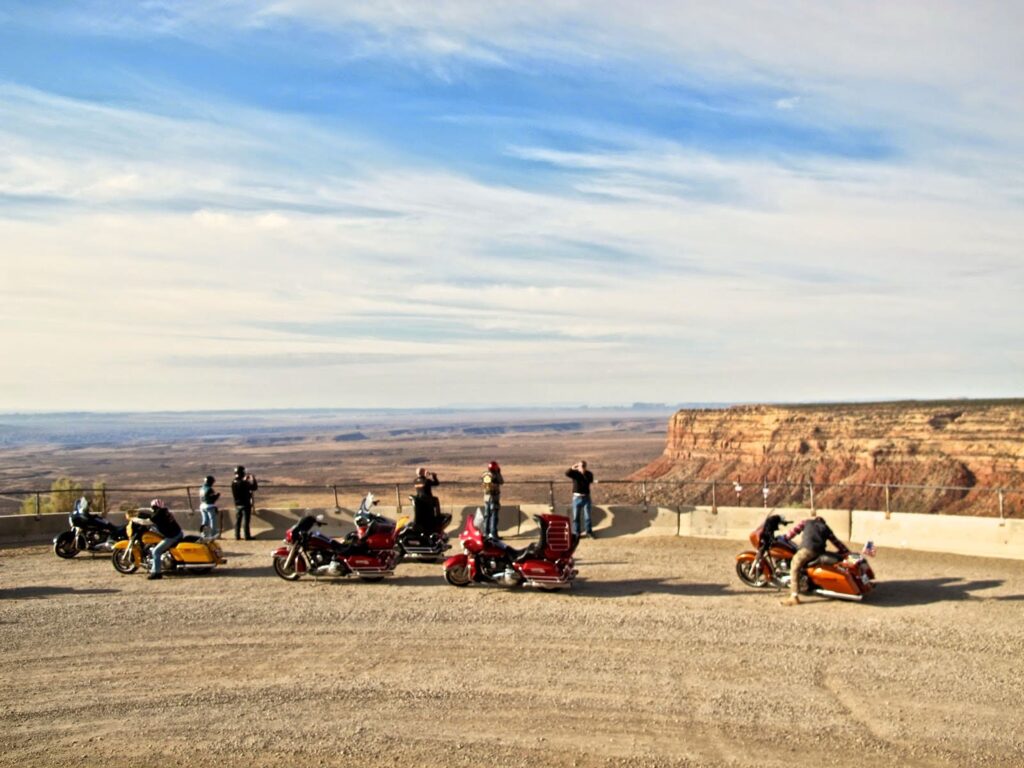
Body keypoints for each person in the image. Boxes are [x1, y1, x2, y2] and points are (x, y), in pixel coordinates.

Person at [778, 516, 849, 606]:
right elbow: (836, 542)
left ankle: (794, 596)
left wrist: (783, 538)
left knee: (794, 566)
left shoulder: (806, 522)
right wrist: (846, 551)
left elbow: (792, 533)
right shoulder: (825, 528)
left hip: (807, 550)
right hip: (819, 551)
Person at [139, 499, 183, 580]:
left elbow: (147, 521)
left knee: (156, 551)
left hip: (172, 536)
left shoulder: (158, 514)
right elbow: (151, 516)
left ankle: (157, 573)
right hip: (177, 533)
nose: (152, 508)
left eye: (153, 507)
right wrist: (140, 514)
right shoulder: (164, 511)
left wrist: (136, 519)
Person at [565, 460, 595, 538]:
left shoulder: (589, 474)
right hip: (576, 498)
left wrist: (583, 473)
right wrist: (572, 468)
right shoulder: (574, 474)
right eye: (581, 466)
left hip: (586, 497)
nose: (582, 467)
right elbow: (567, 473)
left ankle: (589, 532)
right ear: (578, 466)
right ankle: (577, 533)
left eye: (584, 466)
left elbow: (589, 480)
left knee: (587, 517)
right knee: (576, 517)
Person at [231, 466, 258, 540]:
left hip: (237, 504)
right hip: (245, 504)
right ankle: (247, 536)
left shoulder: (233, 482)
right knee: (246, 521)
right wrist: (253, 478)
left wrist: (245, 480)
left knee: (238, 521)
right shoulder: (244, 483)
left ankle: (237, 535)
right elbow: (254, 487)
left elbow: (241, 485)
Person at [481, 461, 504, 539]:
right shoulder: (492, 475)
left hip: (487, 499)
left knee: (487, 516)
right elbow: (501, 481)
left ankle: (486, 533)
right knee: (494, 516)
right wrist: (498, 473)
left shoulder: (486, 475)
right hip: (493, 499)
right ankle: (493, 534)